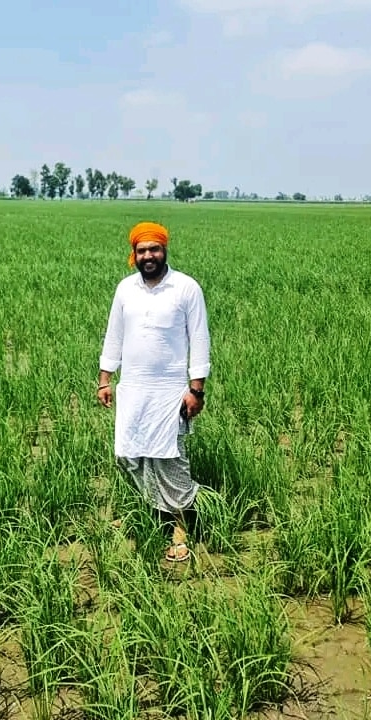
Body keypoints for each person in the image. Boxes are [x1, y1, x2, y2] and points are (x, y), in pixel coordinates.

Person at [97, 221, 211, 562]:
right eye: (142, 250)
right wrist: (105, 378)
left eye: (155, 249)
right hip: (132, 389)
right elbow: (114, 335)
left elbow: (200, 340)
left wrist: (197, 390)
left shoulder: (186, 288)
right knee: (129, 454)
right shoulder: (125, 289)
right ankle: (149, 509)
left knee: (169, 459)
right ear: (134, 254)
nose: (149, 255)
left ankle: (179, 528)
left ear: (165, 251)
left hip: (170, 392)